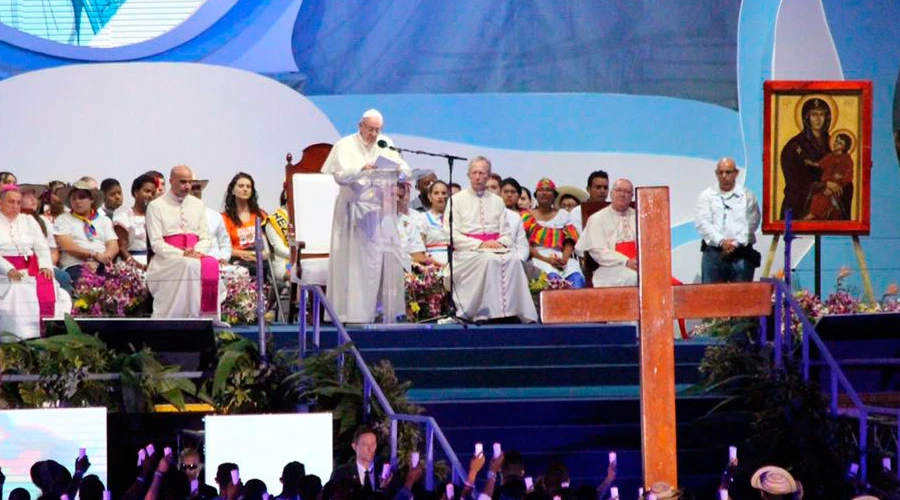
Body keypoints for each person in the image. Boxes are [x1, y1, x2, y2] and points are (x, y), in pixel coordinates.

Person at [322, 108, 410, 323]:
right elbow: (340, 176)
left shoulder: (385, 143)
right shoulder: (344, 145)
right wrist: (362, 168)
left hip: (380, 211)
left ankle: (381, 311)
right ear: (360, 126)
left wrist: (398, 170)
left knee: (381, 261)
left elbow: (405, 168)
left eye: (377, 129)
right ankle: (354, 313)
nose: (373, 134)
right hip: (354, 212)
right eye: (370, 129)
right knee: (355, 265)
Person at [445, 156, 537, 323]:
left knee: (513, 259)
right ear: (468, 175)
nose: (478, 177)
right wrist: (481, 244)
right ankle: (482, 313)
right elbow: (451, 235)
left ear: (488, 176)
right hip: (468, 251)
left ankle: (512, 312)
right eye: (474, 173)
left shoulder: (497, 201)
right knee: (487, 259)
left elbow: (507, 233)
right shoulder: (456, 200)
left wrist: (499, 243)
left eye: (482, 173)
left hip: (495, 248)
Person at [145, 165, 225, 319]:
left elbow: (206, 237)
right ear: (171, 181)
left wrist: (197, 252)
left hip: (195, 255)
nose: (187, 186)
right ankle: (184, 318)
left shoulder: (198, 205)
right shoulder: (156, 206)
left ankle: (205, 318)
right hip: (166, 260)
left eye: (189, 182)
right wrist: (182, 253)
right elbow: (156, 243)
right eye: (183, 182)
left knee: (209, 265)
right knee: (189, 265)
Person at [0, 185, 72, 339]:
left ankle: (46, 335)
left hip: (30, 269)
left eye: (18, 203)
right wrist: (8, 269)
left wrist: (45, 266)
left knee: (50, 284)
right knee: (17, 289)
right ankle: (18, 336)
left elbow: (41, 247)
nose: (15, 206)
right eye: (11, 202)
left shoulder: (29, 220)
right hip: (4, 273)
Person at [695, 158, 761, 283]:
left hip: (741, 253)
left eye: (728, 172)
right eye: (721, 172)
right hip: (714, 254)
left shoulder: (747, 196)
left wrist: (734, 244)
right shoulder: (707, 196)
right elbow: (703, 223)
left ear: (736, 173)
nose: (724, 176)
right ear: (716, 174)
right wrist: (721, 242)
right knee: (710, 297)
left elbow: (752, 223)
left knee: (741, 297)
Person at [575, 179, 638, 287]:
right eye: (619, 190)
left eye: (627, 192)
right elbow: (598, 251)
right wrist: (626, 261)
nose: (622, 195)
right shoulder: (597, 218)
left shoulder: (639, 216)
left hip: (639, 264)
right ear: (611, 193)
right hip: (610, 268)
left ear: (632, 196)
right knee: (634, 278)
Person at [522, 178, 584, 288]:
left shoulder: (563, 215)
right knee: (552, 280)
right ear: (536, 195)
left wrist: (564, 259)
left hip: (561, 256)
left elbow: (570, 239)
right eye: (541, 190)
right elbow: (524, 244)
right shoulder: (526, 216)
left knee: (576, 278)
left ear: (554, 195)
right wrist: (547, 260)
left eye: (548, 190)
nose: (545, 193)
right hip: (538, 258)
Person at [54, 180, 119, 283]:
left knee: (119, 283)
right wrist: (94, 255)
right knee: (87, 282)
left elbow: (113, 245)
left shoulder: (104, 220)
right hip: (75, 265)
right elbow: (69, 246)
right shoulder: (63, 219)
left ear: (91, 200)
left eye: (82, 197)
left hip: (102, 264)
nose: (77, 201)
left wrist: (104, 258)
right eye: (73, 198)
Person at [780, 97, 832, 219]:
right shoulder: (795, 145)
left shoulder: (832, 143)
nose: (818, 119)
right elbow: (793, 179)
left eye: (821, 115)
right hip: (801, 198)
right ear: (807, 117)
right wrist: (822, 185)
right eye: (814, 115)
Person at [221, 172, 269, 276]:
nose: (245, 189)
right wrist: (247, 254)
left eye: (248, 186)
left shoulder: (261, 215)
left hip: (260, 255)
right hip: (238, 257)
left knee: (268, 267)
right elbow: (223, 247)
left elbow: (268, 243)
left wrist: (260, 254)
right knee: (252, 269)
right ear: (233, 190)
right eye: (241, 186)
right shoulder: (224, 218)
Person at [805, 132, 854, 220]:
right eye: (836, 141)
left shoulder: (846, 159)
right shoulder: (830, 156)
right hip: (826, 183)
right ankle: (814, 214)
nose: (836, 143)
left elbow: (849, 174)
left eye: (840, 143)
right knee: (818, 196)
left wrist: (841, 178)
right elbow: (821, 163)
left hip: (838, 185)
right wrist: (811, 163)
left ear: (844, 147)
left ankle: (814, 215)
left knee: (826, 198)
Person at [114, 174, 157, 269]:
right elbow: (122, 249)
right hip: (130, 265)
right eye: (147, 191)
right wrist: (140, 266)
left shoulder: (156, 216)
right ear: (136, 192)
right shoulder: (124, 214)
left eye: (153, 193)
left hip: (154, 264)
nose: (150, 195)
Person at [330, 427, 386, 496]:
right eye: (365, 445)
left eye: (373, 444)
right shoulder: (341, 473)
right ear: (354, 446)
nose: (370, 449)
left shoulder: (384, 470)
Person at [190, 178, 232, 263]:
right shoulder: (176, 216)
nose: (195, 191)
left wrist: (223, 258)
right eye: (191, 188)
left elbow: (225, 244)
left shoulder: (214, 216)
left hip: (214, 265)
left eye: (198, 188)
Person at [414, 180, 450, 265]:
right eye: (436, 193)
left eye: (444, 193)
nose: (440, 196)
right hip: (432, 266)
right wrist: (437, 265)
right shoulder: (422, 218)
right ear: (430, 197)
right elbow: (420, 249)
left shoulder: (455, 217)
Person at [499, 178, 530, 263]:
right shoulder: (491, 213)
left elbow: (523, 246)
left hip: (515, 261)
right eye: (505, 192)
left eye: (513, 192)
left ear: (519, 195)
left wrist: (518, 261)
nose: (509, 195)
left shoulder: (521, 217)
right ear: (499, 193)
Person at [266, 188, 293, 283]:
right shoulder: (274, 219)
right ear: (286, 195)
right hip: (284, 262)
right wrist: (299, 256)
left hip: (307, 261)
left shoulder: (306, 216)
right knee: (302, 274)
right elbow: (278, 249)